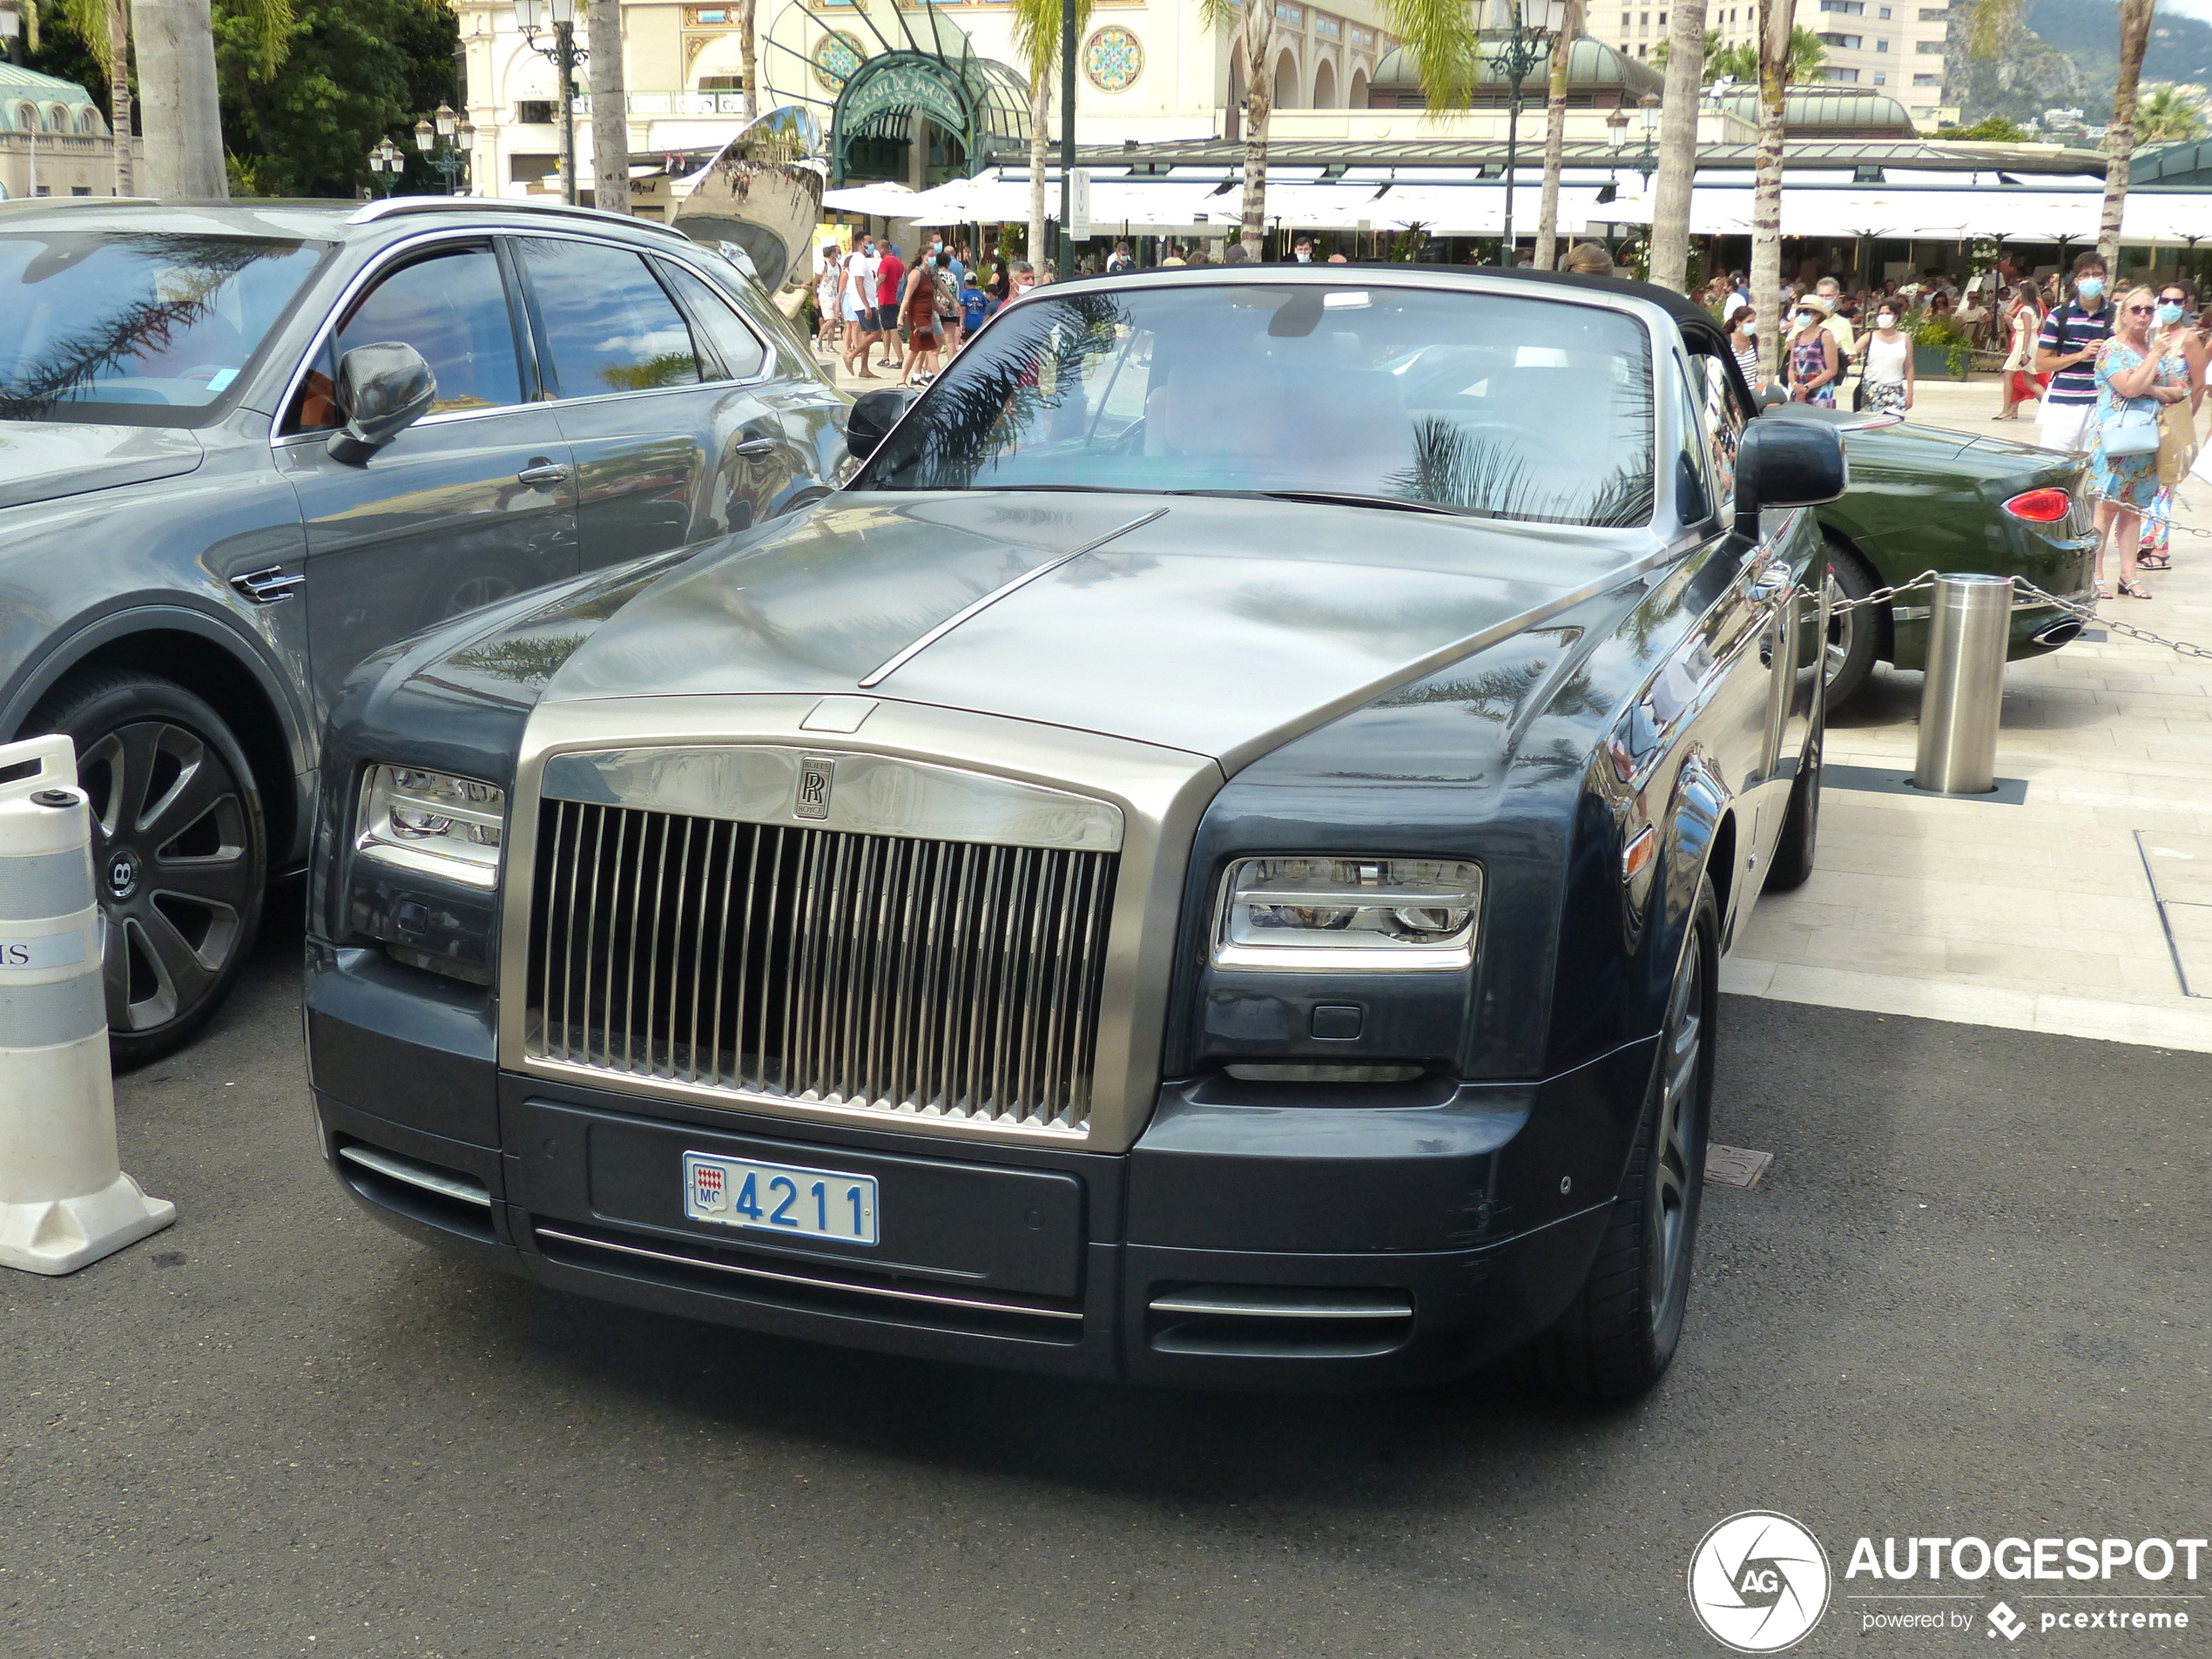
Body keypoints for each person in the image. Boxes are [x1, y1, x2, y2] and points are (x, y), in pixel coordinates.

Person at [2090, 288, 2191, 598]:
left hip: (2147, 441)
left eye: (2149, 309)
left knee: (2134, 509)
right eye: (2136, 309)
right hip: (2116, 440)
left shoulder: (2150, 347)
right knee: (2107, 507)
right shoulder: (2112, 350)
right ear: (2123, 314)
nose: (2144, 315)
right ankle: (2094, 574)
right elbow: (2130, 388)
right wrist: (2156, 369)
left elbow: (2181, 389)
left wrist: (2156, 389)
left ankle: (2128, 575)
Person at [2135, 279, 2208, 571]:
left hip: (2173, 415)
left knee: (2166, 483)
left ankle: (2158, 547)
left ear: (2186, 305)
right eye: (2163, 301)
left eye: (2176, 302)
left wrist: (2186, 417)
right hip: (2147, 414)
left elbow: (2200, 384)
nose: (2169, 307)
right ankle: (2141, 540)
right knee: (2143, 479)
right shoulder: (2152, 335)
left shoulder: (2189, 338)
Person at [2035, 253, 2116, 455]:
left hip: (2101, 401)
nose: (2091, 279)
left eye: (2097, 274)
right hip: (2064, 403)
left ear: (2105, 279)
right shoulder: (2059, 315)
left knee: (2095, 464)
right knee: (2055, 461)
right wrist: (2080, 355)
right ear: (2077, 280)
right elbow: (2041, 364)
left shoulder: (2117, 316)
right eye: (2085, 274)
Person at [1997, 283, 2044, 421]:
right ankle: (2049, 404)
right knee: (2029, 380)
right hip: (2032, 342)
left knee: (2008, 375)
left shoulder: (2026, 310)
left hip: (2024, 344)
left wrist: (2023, 352)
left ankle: (2006, 409)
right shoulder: (2036, 308)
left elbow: (2027, 332)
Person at [899, 252, 943, 388]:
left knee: (915, 349)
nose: (933, 258)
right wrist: (900, 317)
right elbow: (907, 297)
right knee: (932, 350)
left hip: (927, 314)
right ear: (923, 256)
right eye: (930, 255)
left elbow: (929, 296)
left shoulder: (928, 274)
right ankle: (940, 383)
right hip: (917, 316)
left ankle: (902, 380)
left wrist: (937, 306)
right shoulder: (916, 274)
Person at [1786, 297, 1841, 407]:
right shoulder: (1797, 336)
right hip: (1798, 392)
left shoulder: (1825, 335)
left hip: (1820, 394)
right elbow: (1792, 367)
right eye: (1799, 312)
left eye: (1806, 312)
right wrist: (1795, 385)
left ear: (1817, 315)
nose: (1801, 315)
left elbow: (1832, 370)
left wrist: (1807, 387)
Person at [1861, 301, 1914, 415]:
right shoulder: (1870, 336)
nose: (1884, 316)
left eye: (1888, 313)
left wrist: (1910, 393)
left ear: (1896, 317)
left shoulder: (1905, 338)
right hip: (1872, 388)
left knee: (1894, 426)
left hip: (1895, 389)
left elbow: (1909, 367)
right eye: (1881, 314)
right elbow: (1851, 352)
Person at [840, 236, 880, 381]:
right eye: (869, 242)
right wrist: (867, 305)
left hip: (865, 302)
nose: (871, 245)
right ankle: (851, 355)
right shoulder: (858, 259)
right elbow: (858, 283)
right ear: (861, 243)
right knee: (876, 333)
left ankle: (864, 368)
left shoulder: (861, 259)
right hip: (864, 303)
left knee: (867, 333)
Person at [872, 240, 906, 374]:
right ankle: (885, 357)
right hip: (894, 297)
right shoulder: (899, 262)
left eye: (877, 248)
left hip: (886, 299)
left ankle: (901, 359)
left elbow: (881, 279)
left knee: (892, 329)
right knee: (886, 329)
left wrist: (872, 291)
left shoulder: (885, 262)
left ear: (883, 249)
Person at [813, 244, 842, 356]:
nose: (839, 254)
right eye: (837, 252)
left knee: (834, 321)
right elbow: (816, 281)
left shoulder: (839, 267)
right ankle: (819, 339)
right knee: (830, 320)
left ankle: (830, 345)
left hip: (834, 295)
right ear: (832, 254)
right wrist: (815, 297)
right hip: (825, 295)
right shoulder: (823, 264)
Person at [1727, 304, 1760, 389]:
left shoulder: (1754, 339)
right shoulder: (1727, 341)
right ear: (1738, 323)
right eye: (1749, 322)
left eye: (1754, 321)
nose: (1752, 324)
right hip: (1734, 393)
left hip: (1751, 392)